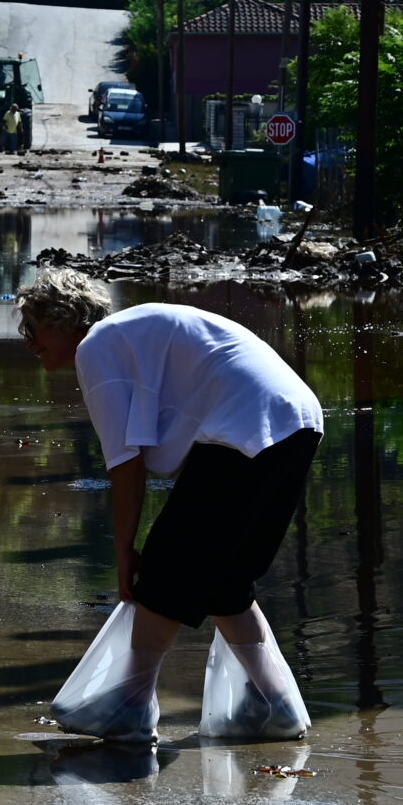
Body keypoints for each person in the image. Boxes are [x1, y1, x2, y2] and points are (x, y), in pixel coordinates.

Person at [18, 271, 322, 741]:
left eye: (33, 332)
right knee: (224, 581)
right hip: (295, 422)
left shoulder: (97, 347)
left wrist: (124, 552)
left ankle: (128, 708)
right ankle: (276, 705)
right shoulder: (129, 335)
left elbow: (125, 464)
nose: (30, 345)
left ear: (61, 322)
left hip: (247, 426)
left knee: (165, 571)